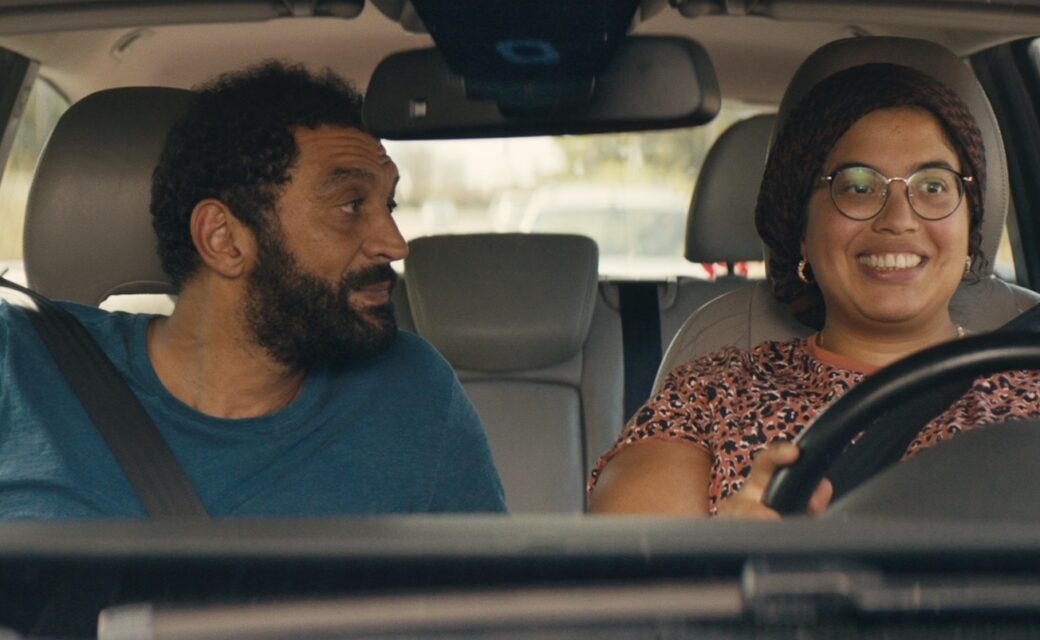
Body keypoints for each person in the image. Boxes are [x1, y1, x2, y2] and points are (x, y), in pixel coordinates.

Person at [0, 61, 506, 518]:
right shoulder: (17, 359)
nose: (395, 244)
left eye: (388, 205)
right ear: (223, 239)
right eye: (351, 205)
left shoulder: (412, 394)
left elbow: (491, 593)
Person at [587, 62, 1040, 518]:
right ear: (802, 230)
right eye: (857, 187)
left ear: (969, 225)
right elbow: (635, 555)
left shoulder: (1031, 374)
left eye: (934, 186)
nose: (899, 218)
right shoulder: (714, 392)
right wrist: (728, 550)